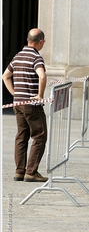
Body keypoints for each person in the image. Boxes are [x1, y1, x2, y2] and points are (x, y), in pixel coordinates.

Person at [2, 28, 49, 182]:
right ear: (40, 42)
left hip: (18, 103)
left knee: (21, 136)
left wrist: (15, 94)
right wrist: (40, 96)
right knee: (40, 135)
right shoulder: (36, 57)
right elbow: (42, 76)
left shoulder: (17, 56)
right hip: (31, 104)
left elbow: (5, 76)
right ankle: (31, 172)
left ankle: (19, 171)